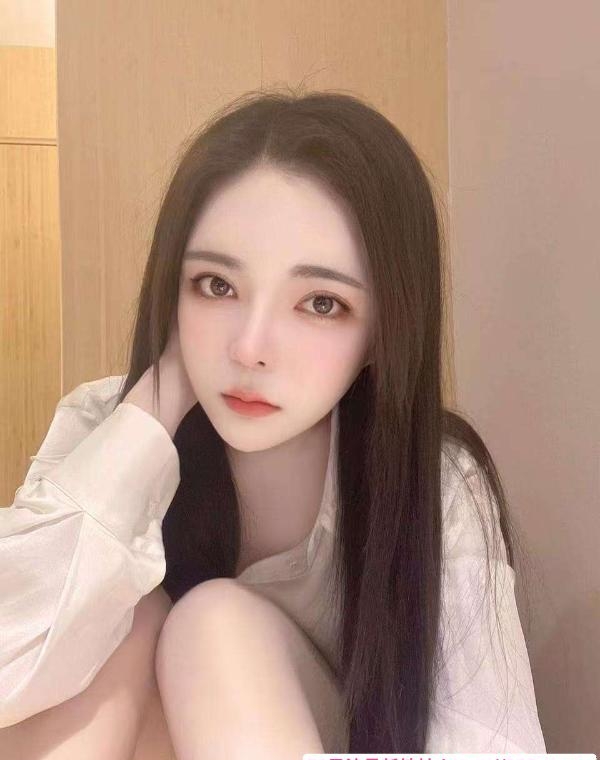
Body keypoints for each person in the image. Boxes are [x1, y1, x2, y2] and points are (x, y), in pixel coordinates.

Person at [0, 87, 546, 755]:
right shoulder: (106, 424)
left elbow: (490, 744)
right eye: (217, 286)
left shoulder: (433, 479)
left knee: (214, 625)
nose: (250, 348)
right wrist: (155, 408)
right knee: (115, 618)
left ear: (383, 329)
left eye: (320, 303)